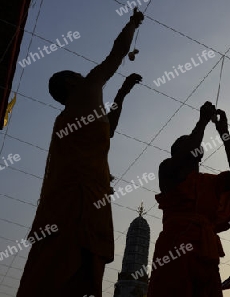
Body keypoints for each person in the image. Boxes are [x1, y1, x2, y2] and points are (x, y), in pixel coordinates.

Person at [17, 9, 144, 297]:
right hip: (79, 200)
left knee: (58, 270)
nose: (82, 74)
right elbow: (116, 54)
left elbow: (107, 129)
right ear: (71, 83)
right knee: (72, 268)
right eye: (76, 74)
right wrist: (133, 22)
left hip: (81, 197)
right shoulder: (85, 91)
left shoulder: (73, 116)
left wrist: (122, 95)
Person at [148, 101, 230, 297]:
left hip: (205, 250)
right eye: (188, 144)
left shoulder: (210, 182)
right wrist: (202, 121)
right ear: (177, 153)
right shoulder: (168, 170)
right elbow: (189, 149)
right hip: (174, 249)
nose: (194, 146)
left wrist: (224, 133)